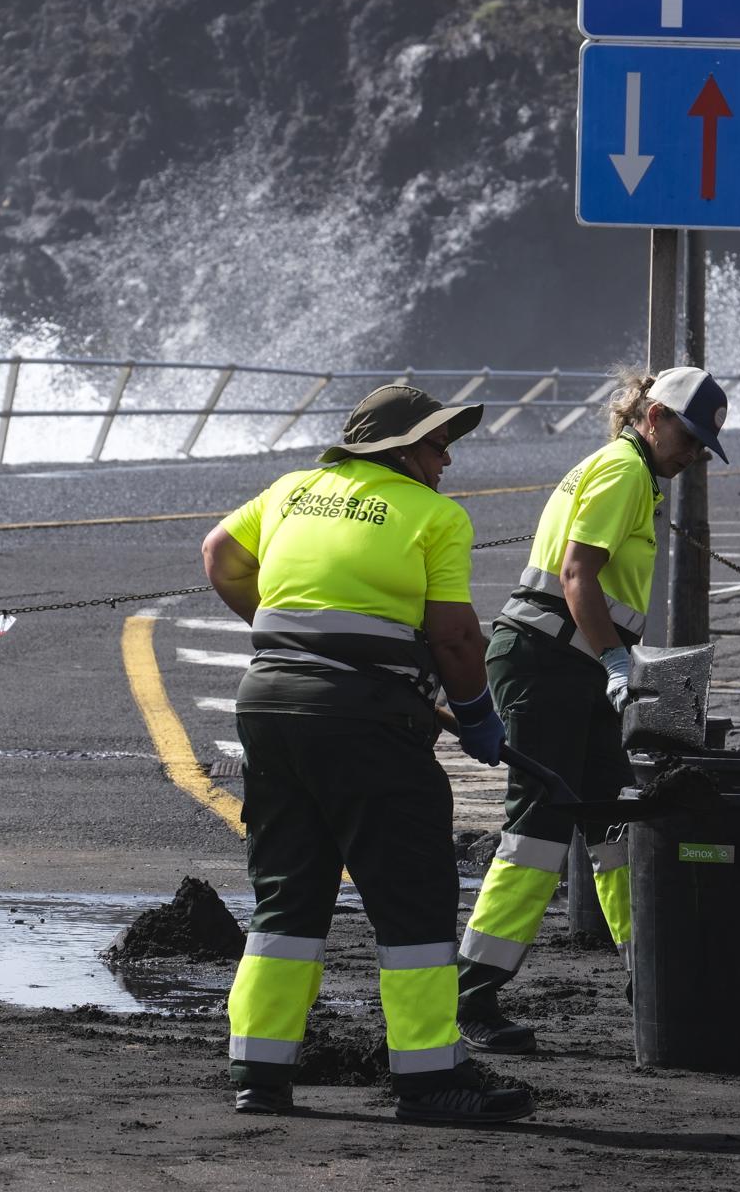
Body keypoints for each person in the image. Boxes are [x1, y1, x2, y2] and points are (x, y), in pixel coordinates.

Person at [201, 384, 535, 1124]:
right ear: (398, 450)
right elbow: (454, 638)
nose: (447, 459)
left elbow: (219, 554)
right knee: (411, 897)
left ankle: (260, 1072)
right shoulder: (436, 517)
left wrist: (289, 634)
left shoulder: (294, 489)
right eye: (437, 444)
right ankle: (428, 1079)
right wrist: (479, 718)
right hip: (368, 726)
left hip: (270, 706)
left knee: (288, 895)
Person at [454, 367, 730, 1054]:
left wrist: (609, 661)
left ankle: (648, 968)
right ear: (655, 416)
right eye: (690, 439)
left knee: (609, 818)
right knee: (539, 826)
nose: (693, 456)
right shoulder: (624, 473)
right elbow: (579, 576)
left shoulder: (622, 469)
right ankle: (471, 992)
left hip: (569, 662)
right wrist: (614, 662)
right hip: (552, 664)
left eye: (702, 447)